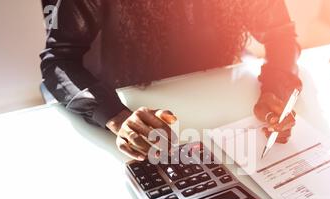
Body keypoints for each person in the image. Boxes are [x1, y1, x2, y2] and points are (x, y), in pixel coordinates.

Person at [40, 0, 302, 161]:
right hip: (124, 101)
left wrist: (275, 89)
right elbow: (59, 61)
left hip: (213, 108)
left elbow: (281, 34)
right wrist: (117, 117)